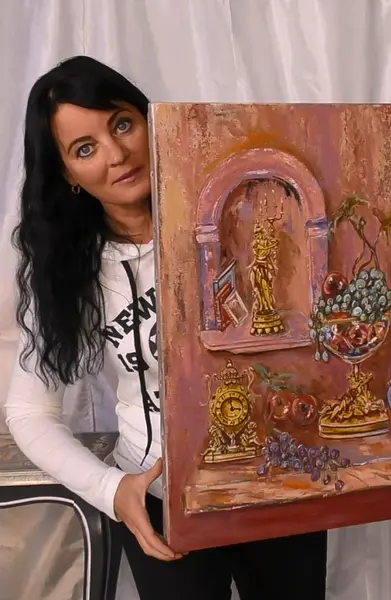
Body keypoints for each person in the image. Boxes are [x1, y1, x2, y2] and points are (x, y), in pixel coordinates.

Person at [5, 55, 327, 599]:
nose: (116, 154)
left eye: (121, 124)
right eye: (85, 149)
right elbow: (29, 411)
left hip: (277, 481)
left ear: (150, 119)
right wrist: (113, 490)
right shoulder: (66, 273)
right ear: (67, 176)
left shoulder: (239, 221)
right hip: (160, 501)